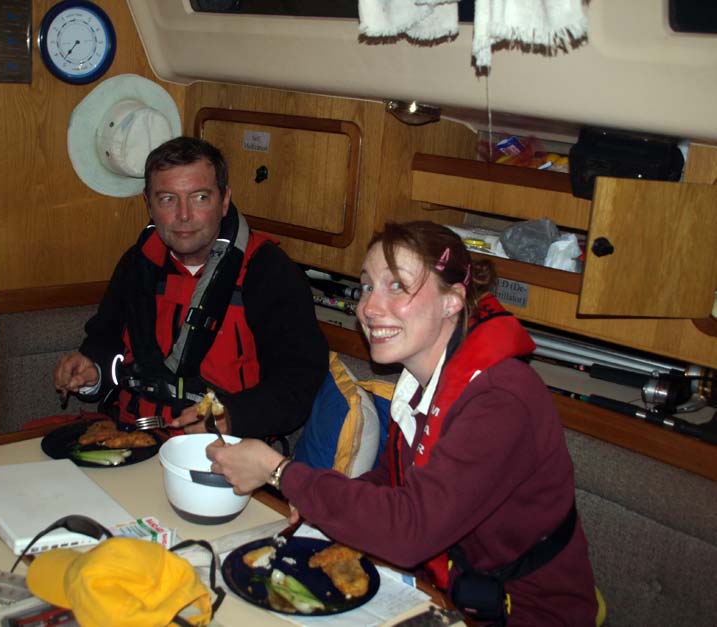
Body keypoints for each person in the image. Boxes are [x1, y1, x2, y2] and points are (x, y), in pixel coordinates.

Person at [208, 221, 598, 624]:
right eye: (367, 287)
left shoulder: (500, 401)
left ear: (452, 301)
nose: (368, 307)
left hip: (523, 613)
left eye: (397, 285)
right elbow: (391, 480)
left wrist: (280, 472)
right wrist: (322, 506)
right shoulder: (421, 381)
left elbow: (412, 531)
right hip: (444, 593)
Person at [54, 137, 328, 438]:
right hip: (131, 438)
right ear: (148, 203)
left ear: (224, 200)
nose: (183, 215)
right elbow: (105, 342)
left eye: (199, 197)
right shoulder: (137, 264)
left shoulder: (268, 271)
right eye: (167, 199)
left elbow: (299, 381)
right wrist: (92, 372)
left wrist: (232, 417)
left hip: (221, 451)